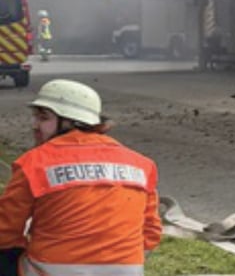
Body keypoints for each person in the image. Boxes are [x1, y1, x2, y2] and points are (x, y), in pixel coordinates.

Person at [0, 79, 162, 276]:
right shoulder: (141, 165)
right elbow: (151, 233)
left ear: (71, 122)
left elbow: (5, 230)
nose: (34, 125)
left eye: (43, 118)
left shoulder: (33, 163)